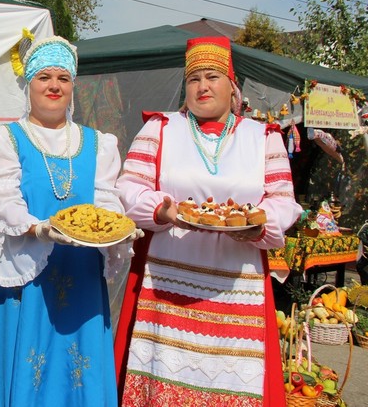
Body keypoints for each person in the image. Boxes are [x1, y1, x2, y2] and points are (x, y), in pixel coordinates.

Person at [114, 36, 302, 406]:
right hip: (167, 278)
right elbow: (128, 187)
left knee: (230, 376)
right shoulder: (161, 128)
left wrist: (257, 225)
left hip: (237, 279)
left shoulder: (262, 137)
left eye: (212, 76)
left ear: (231, 86)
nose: (202, 86)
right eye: (194, 78)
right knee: (163, 371)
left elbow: (283, 202)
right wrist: (163, 210)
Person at [0, 35, 132, 406]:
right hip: (25, 276)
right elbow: (2, 198)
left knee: (77, 370)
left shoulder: (97, 143)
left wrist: (119, 228)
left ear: (73, 85)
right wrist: (37, 228)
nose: (54, 86)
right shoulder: (4, 139)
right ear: (28, 84)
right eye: (44, 77)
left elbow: (106, 202)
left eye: (63, 78)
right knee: (29, 367)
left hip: (81, 275)